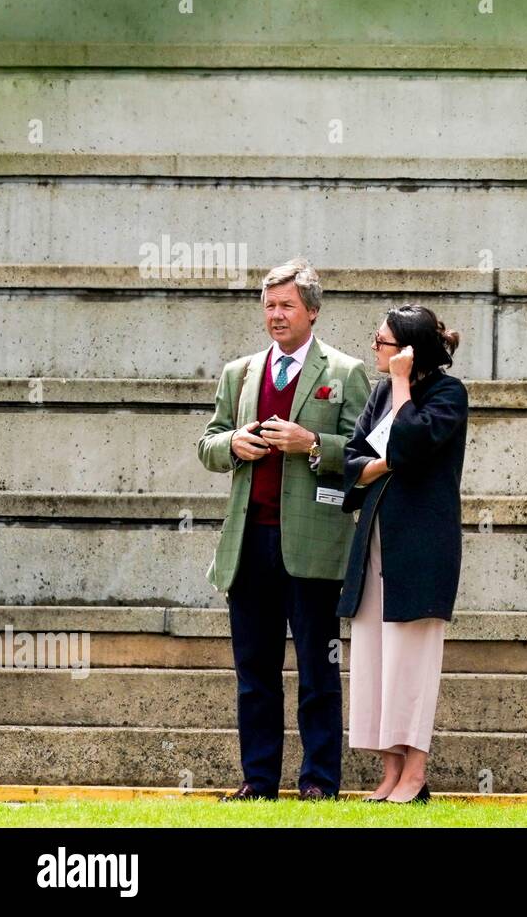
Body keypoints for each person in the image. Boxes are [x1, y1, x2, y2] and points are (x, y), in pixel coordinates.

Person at [196, 257, 371, 801]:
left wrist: (312, 445)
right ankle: (258, 782)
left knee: (319, 673)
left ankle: (319, 782)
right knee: (254, 673)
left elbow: (368, 454)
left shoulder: (345, 372)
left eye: (286, 305)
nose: (276, 315)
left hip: (313, 546)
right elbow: (208, 443)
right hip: (249, 545)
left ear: (312, 312)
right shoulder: (239, 373)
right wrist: (233, 445)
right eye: (269, 305)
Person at [338, 304, 468, 804]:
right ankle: (390, 772)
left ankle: (415, 774)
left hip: (421, 550)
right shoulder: (378, 394)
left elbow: (410, 444)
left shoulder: (449, 394)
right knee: (374, 656)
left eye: (383, 342)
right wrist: (381, 463)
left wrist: (401, 386)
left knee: (411, 661)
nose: (375, 349)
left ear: (408, 353)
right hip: (374, 542)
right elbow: (353, 461)